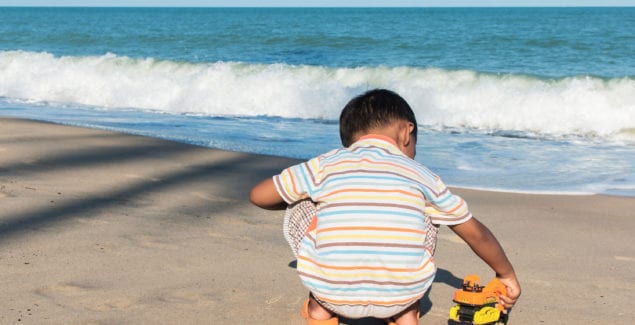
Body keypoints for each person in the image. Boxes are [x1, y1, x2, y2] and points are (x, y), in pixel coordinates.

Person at [250, 89, 521, 325]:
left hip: (332, 292)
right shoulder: (422, 175)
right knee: (427, 212)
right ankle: (405, 315)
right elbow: (475, 233)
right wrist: (505, 273)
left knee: (305, 197)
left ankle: (319, 311)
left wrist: (312, 200)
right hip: (398, 297)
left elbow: (258, 196)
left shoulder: (326, 163)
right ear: (406, 132)